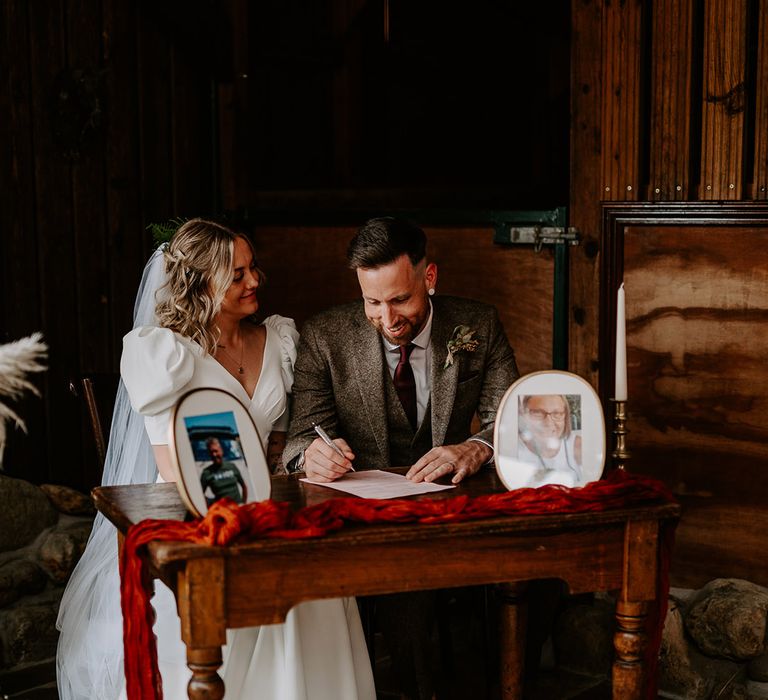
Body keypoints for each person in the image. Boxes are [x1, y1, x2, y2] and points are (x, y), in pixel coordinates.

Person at [56, 219, 375, 700]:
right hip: (202, 513)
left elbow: (283, 446)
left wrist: (309, 457)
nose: (254, 281)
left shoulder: (281, 340)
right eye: (238, 274)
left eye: (254, 268)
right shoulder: (163, 355)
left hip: (274, 506)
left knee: (315, 569)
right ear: (200, 284)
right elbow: (171, 470)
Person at [283, 216, 519, 700]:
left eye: (400, 300)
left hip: (456, 509)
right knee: (404, 584)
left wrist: (477, 446)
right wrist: (312, 455)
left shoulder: (479, 324)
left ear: (429, 278)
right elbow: (298, 438)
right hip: (367, 519)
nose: (387, 319)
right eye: (372, 302)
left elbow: (510, 421)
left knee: (534, 577)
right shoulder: (325, 336)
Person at [517, 394, 583, 487]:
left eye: (557, 414)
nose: (548, 423)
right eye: (538, 413)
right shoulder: (514, 448)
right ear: (524, 415)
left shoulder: (578, 444)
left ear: (565, 417)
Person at [200, 436, 247, 504]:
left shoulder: (231, 466)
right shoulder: (206, 473)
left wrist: (243, 503)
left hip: (238, 508)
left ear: (221, 450)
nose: (214, 455)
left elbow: (244, 487)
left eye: (216, 451)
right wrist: (211, 504)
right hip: (223, 511)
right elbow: (199, 496)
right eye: (211, 452)